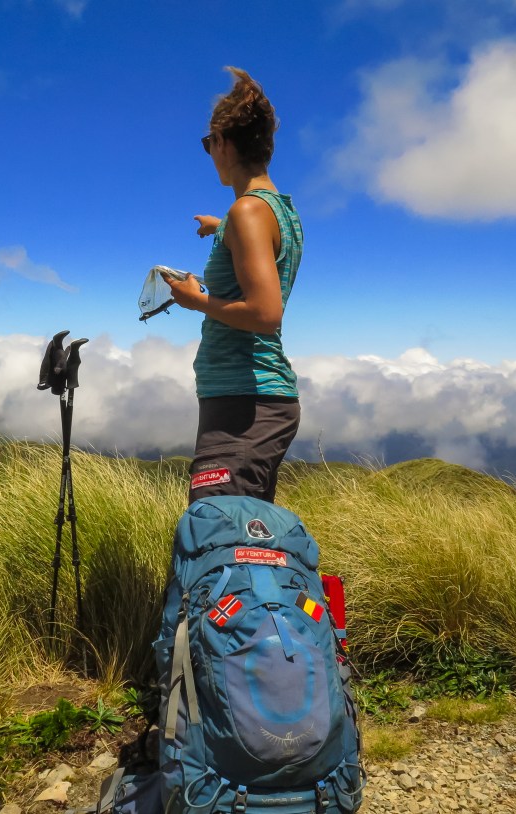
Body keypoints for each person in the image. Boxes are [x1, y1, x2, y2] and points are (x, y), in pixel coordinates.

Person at [164, 67, 303, 505]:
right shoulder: (277, 210)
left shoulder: (248, 213)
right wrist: (222, 226)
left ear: (223, 143)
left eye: (209, 144)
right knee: (245, 535)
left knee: (220, 531)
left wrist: (197, 300)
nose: (209, 153)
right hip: (252, 400)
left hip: (247, 403)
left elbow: (265, 314)